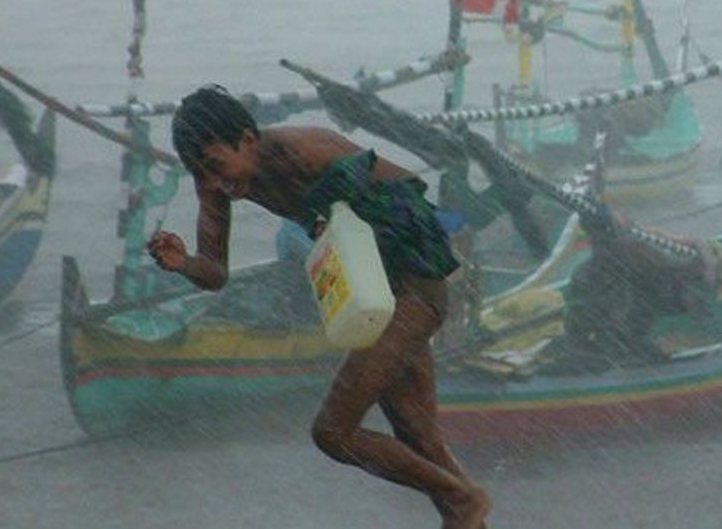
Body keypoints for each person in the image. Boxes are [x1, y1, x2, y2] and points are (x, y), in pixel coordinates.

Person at [148, 84, 490, 529]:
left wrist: (339, 215)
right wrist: (182, 263)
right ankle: (465, 511)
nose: (215, 184)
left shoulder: (305, 152)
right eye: (200, 173)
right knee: (417, 435)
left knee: (333, 433)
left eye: (215, 166)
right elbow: (215, 273)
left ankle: (463, 500)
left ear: (248, 139)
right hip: (375, 297)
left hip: (413, 286)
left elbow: (412, 202)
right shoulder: (217, 180)